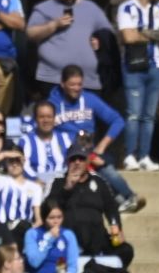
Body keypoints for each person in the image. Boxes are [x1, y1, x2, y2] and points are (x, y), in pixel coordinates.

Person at [49, 65, 138, 211]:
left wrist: (102, 146)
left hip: (88, 151)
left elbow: (118, 121)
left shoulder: (89, 99)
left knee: (103, 164)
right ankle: (122, 199)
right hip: (66, 155)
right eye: (72, 84)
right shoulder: (53, 103)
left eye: (79, 84)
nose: (76, 88)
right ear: (62, 84)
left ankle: (128, 197)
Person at [117, 0, 159, 171]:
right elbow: (128, 37)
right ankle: (130, 155)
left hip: (156, 65)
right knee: (134, 114)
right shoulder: (127, 7)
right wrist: (152, 34)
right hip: (134, 66)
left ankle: (144, 156)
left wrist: (142, 31)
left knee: (149, 115)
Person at [26, 0, 112, 91]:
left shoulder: (91, 8)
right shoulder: (44, 8)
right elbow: (30, 34)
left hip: (86, 80)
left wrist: (99, 40)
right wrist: (54, 25)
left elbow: (108, 33)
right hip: (53, 79)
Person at [50, 147, 132, 271]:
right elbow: (51, 207)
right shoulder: (59, 183)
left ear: (87, 161)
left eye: (81, 159)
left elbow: (111, 208)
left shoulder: (99, 183)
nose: (77, 162)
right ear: (68, 162)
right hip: (71, 239)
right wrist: (68, 187)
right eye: (73, 159)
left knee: (126, 250)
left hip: (97, 238)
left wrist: (116, 225)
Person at [23, 202, 85, 273]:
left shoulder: (68, 235)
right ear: (44, 218)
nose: (56, 221)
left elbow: (73, 264)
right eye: (51, 218)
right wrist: (49, 239)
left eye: (59, 217)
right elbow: (34, 262)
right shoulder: (32, 234)